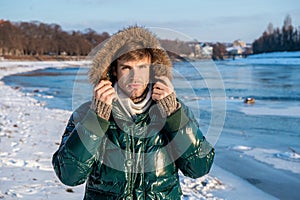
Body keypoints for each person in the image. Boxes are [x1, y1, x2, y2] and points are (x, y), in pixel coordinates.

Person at [52, 26, 215, 200]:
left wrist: (173, 115)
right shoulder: (86, 113)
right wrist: (97, 118)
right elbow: (70, 176)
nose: (135, 77)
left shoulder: (173, 110)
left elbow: (198, 168)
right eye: (127, 68)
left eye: (142, 67)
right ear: (114, 70)